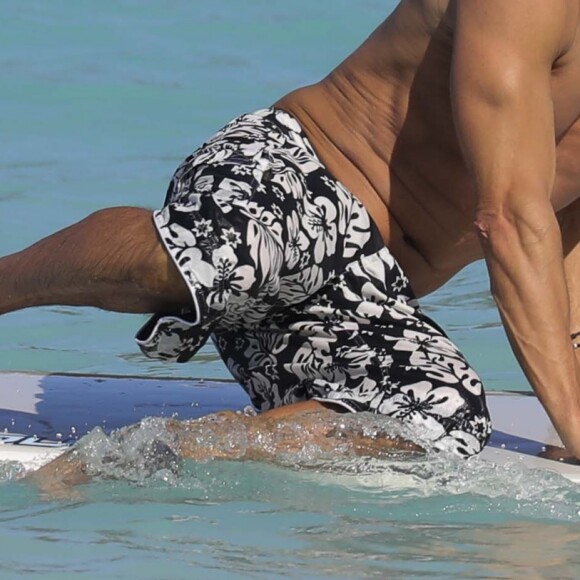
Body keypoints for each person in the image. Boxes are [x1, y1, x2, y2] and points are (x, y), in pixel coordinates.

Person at [5, 0, 580, 483]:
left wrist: (567, 422)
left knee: (442, 418)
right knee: (226, 257)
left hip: (364, 290)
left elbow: (567, 230)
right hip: (292, 180)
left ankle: (140, 455)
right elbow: (507, 216)